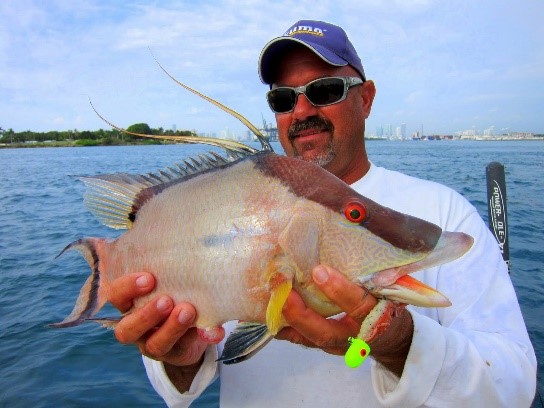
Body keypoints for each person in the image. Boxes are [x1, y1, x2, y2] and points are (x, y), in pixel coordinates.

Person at [108, 20, 537, 406]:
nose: (302, 111)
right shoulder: (228, 204)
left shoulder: (444, 211)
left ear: (366, 99)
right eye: (283, 99)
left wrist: (400, 343)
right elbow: (191, 370)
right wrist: (179, 358)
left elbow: (514, 386)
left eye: (325, 90)